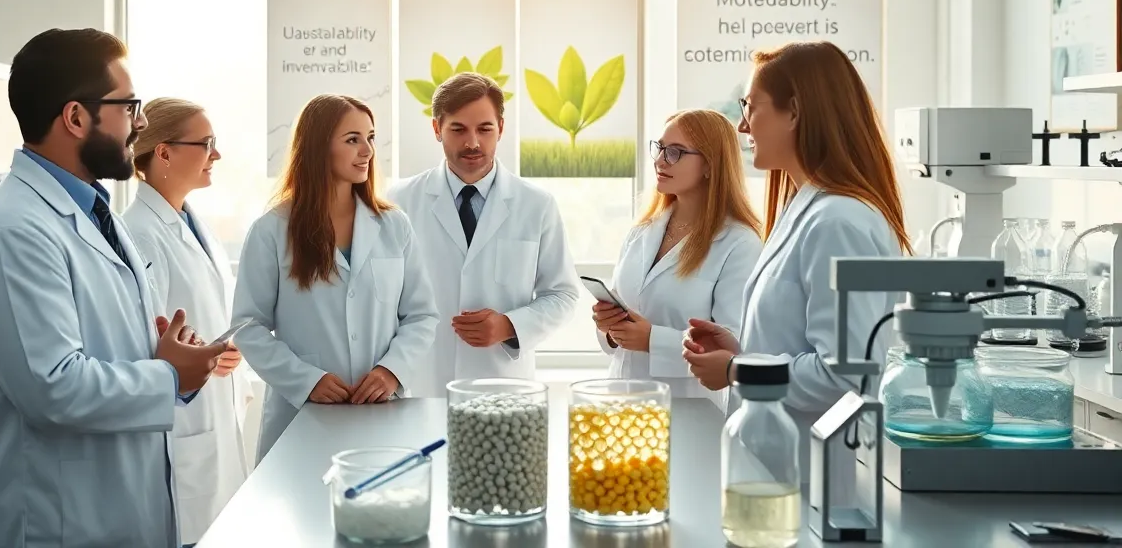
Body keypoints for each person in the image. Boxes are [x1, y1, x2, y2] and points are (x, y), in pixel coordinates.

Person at [0, 28, 230, 548]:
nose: (141, 122)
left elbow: (107, 349)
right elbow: (53, 387)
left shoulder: (96, 214)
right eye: (129, 106)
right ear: (76, 118)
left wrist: (166, 355)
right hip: (56, 526)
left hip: (120, 515)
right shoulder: (12, 233)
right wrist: (168, 375)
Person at [681, 40, 910, 486]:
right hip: (776, 466)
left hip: (812, 475)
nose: (743, 125)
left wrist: (735, 370)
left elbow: (844, 375)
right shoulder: (807, 207)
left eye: (750, 106)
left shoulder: (839, 220)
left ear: (795, 112)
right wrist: (742, 347)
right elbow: (801, 341)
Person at [230, 94, 439, 459]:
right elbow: (248, 326)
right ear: (318, 146)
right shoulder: (272, 230)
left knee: (377, 510)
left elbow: (421, 316)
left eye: (371, 137)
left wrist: (391, 371)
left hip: (379, 412)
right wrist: (307, 380)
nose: (367, 150)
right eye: (352, 139)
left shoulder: (394, 226)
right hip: (301, 418)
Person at [385, 72, 582, 398]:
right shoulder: (400, 200)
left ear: (501, 128)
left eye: (485, 129)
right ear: (437, 129)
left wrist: (509, 325)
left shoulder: (536, 204)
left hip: (503, 386)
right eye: (458, 129)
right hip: (422, 384)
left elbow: (563, 294)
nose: (472, 142)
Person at [122, 98, 253, 547]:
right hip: (183, 426)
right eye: (206, 144)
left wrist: (225, 351)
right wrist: (195, 358)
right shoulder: (138, 233)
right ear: (164, 153)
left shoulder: (193, 222)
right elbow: (144, 340)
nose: (216, 154)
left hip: (214, 414)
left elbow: (208, 312)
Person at [592, 109, 761, 400]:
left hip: (689, 406)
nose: (659, 160)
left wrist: (652, 341)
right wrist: (608, 326)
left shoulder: (739, 243)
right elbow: (623, 319)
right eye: (659, 149)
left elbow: (734, 346)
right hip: (622, 402)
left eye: (675, 152)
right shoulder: (641, 231)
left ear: (710, 164)